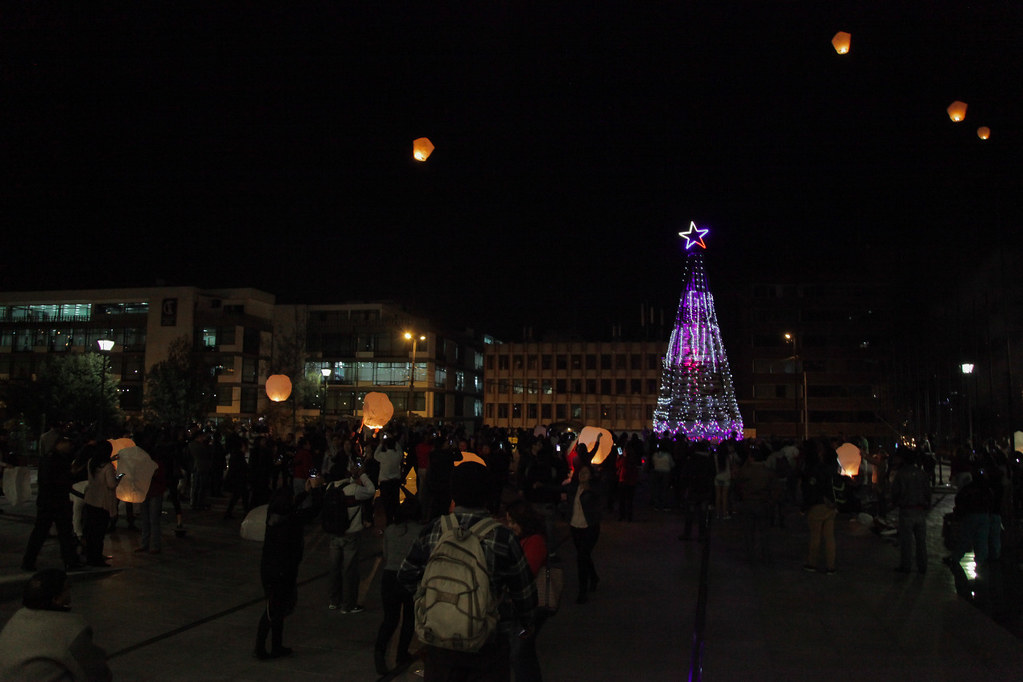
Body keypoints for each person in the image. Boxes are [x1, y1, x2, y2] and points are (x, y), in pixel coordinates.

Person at [398, 458, 536, 680]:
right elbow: (525, 593)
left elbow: (406, 573)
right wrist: (524, 623)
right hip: (487, 643)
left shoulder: (435, 529)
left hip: (440, 641)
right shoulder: (502, 536)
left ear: (453, 492)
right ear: (487, 494)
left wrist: (433, 598)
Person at [0, 568, 112, 681]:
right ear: (56, 599)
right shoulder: (71, 627)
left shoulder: (18, 617)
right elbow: (97, 675)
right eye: (67, 589)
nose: (70, 592)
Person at [256, 478, 323, 660]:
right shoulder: (292, 520)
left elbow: (291, 507)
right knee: (274, 610)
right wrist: (316, 492)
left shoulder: (274, 515)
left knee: (277, 609)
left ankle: (276, 646)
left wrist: (305, 493)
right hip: (283, 571)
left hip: (269, 568)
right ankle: (260, 648)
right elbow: (313, 511)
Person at [374, 497, 424, 675]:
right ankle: (402, 654)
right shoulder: (421, 531)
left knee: (390, 619)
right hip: (411, 577)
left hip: (389, 577)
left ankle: (379, 653)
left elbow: (386, 555)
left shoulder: (390, 530)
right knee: (409, 618)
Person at [22, 436, 86, 572]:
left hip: (51, 500)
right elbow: (54, 480)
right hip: (55, 500)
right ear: (60, 444)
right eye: (68, 444)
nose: (70, 447)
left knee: (50, 533)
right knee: (54, 533)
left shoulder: (52, 458)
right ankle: (69, 561)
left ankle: (30, 561)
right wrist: (70, 475)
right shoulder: (55, 459)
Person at [504, 499, 548, 682]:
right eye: (508, 521)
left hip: (531, 606)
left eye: (513, 522)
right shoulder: (522, 539)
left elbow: (526, 573)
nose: (510, 526)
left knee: (519, 653)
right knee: (523, 653)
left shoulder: (535, 541)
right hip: (523, 605)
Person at [326, 457, 376, 613]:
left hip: (334, 534)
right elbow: (371, 490)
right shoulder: (353, 489)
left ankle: (334, 600)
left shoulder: (330, 488)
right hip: (351, 534)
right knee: (350, 571)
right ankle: (348, 605)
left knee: (335, 569)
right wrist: (362, 475)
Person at [890, 448, 931, 573]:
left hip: (906, 510)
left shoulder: (901, 474)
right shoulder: (921, 473)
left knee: (906, 541)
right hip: (920, 510)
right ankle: (922, 565)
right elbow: (927, 492)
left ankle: (906, 565)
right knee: (921, 541)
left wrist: (895, 503)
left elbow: (895, 493)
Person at [566, 462, 603, 604]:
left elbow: (602, 493)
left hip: (590, 528)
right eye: (581, 472)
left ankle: (583, 591)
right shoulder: (574, 487)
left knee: (581, 557)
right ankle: (593, 577)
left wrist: (591, 488)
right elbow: (558, 488)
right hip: (575, 527)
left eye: (586, 473)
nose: (582, 475)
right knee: (584, 556)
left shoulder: (594, 490)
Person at [802, 443, 839, 574]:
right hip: (831, 506)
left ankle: (812, 563)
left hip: (817, 505)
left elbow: (811, 489)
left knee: (815, 536)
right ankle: (831, 565)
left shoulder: (814, 469)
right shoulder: (833, 469)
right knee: (829, 537)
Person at [82, 442, 120, 568]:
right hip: (102, 503)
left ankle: (90, 556)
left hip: (90, 500)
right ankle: (97, 559)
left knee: (91, 532)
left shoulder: (91, 462)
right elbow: (111, 484)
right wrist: (119, 477)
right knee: (99, 533)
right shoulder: (108, 467)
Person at [376, 434, 404, 525]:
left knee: (387, 504)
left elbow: (375, 454)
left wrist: (381, 444)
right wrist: (394, 440)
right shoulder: (397, 455)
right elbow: (400, 450)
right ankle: (397, 520)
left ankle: (389, 521)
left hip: (385, 483)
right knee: (395, 501)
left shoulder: (383, 456)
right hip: (395, 482)